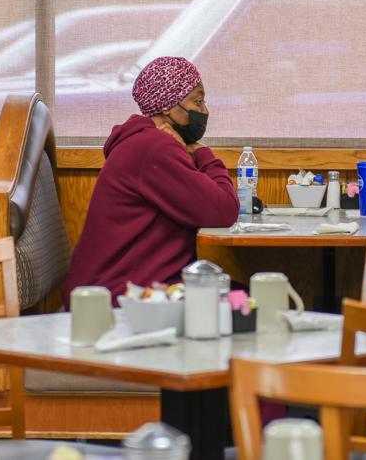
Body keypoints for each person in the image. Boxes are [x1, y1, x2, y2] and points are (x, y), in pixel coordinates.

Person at [64, 56, 239, 304]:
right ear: (167, 106)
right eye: (197, 102)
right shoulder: (154, 148)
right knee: (257, 304)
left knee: (244, 295)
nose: (205, 111)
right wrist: (202, 152)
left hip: (126, 286)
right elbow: (224, 210)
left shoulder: (148, 142)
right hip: (118, 296)